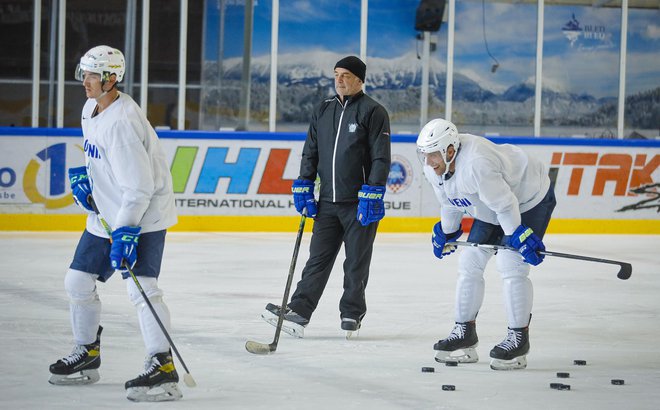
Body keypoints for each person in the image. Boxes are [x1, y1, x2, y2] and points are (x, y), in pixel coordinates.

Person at [48, 45, 181, 401]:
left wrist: (126, 232)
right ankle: (87, 353)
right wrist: (88, 183)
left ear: (111, 79)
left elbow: (140, 187)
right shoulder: (91, 108)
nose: (85, 82)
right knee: (77, 280)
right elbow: (100, 158)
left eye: (92, 75)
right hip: (106, 211)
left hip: (142, 215)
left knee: (142, 289)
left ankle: (162, 365)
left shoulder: (123, 122)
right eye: (84, 73)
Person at [261, 56, 391, 338]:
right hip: (328, 202)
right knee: (316, 261)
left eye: (346, 75)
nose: (340, 79)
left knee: (356, 262)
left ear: (359, 79)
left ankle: (351, 314)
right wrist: (305, 183)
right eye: (336, 74)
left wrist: (374, 190)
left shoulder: (373, 111)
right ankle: (299, 311)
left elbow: (381, 156)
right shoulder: (323, 110)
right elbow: (311, 150)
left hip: (359, 202)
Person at [417, 118, 556, 370]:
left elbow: (506, 205)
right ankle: (464, 333)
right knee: (469, 261)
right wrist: (447, 232)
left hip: (528, 196)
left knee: (511, 263)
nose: (428, 162)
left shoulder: (476, 164)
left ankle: (519, 338)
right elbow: (450, 201)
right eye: (424, 155)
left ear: (450, 150)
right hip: (490, 203)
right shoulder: (433, 167)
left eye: (433, 155)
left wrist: (519, 237)